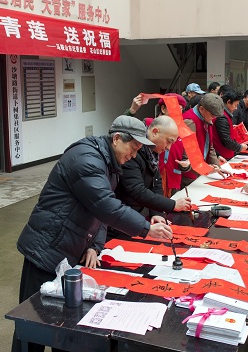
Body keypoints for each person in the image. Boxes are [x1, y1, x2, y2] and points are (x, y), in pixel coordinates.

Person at [12, 115, 174, 352]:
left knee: (63, 323)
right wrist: (146, 228)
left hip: (71, 249)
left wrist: (94, 246)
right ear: (117, 139)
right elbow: (104, 205)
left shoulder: (110, 163)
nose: (133, 155)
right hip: (46, 248)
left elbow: (98, 212)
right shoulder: (87, 159)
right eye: (133, 148)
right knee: (32, 324)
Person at [112, 116, 191, 238]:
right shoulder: (133, 151)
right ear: (155, 132)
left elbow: (156, 182)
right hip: (120, 218)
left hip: (134, 214)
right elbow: (137, 190)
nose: (168, 147)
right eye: (168, 141)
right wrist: (172, 204)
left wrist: (157, 212)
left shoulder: (151, 152)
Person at [182, 93, 225, 186]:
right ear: (201, 109)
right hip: (190, 174)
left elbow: (210, 146)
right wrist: (206, 169)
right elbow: (187, 154)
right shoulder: (190, 121)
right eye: (212, 115)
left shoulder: (206, 118)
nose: (214, 118)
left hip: (201, 170)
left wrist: (217, 167)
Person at [213, 89, 247, 161]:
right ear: (228, 102)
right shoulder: (222, 117)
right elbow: (225, 139)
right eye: (235, 105)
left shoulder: (225, 114)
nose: (236, 108)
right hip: (223, 155)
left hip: (227, 154)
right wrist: (239, 147)